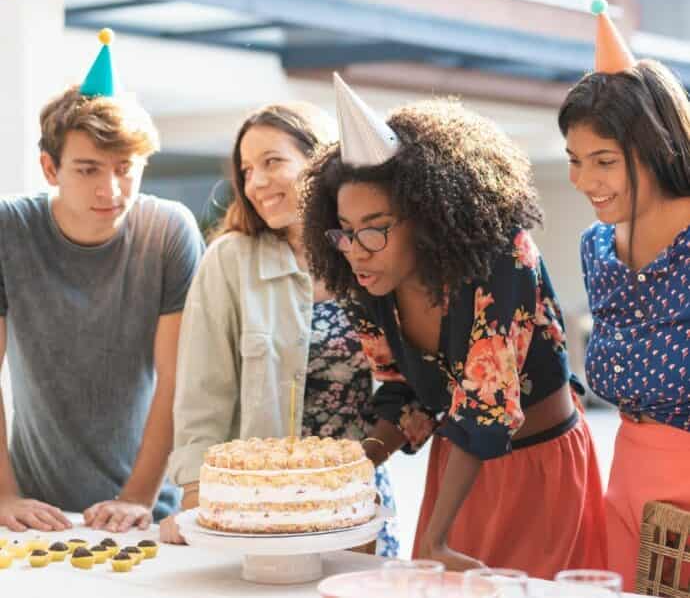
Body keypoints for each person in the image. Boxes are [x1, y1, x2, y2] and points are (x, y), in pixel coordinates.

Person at [299, 74, 607, 577]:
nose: (355, 249)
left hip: (538, 470)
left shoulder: (499, 256)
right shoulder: (366, 280)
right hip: (458, 469)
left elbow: (485, 406)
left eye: (375, 228)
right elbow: (407, 397)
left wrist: (436, 539)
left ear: (427, 217)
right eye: (346, 232)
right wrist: (346, 472)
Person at [163, 102, 398, 555]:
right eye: (247, 170)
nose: (256, 182)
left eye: (272, 162)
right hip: (260, 512)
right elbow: (200, 398)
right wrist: (197, 505)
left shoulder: (367, 255)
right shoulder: (229, 261)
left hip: (355, 505)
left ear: (320, 161)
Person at [0, 29, 204, 534]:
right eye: (88, 169)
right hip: (34, 510)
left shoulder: (169, 231)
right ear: (50, 168)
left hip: (147, 508)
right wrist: (4, 495)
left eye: (124, 169)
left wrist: (138, 496)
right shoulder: (10, 229)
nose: (110, 190)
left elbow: (176, 378)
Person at [559, 0, 690, 591]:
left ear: (655, 147)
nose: (585, 181)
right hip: (627, 477)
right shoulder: (596, 249)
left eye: (604, 161)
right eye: (575, 161)